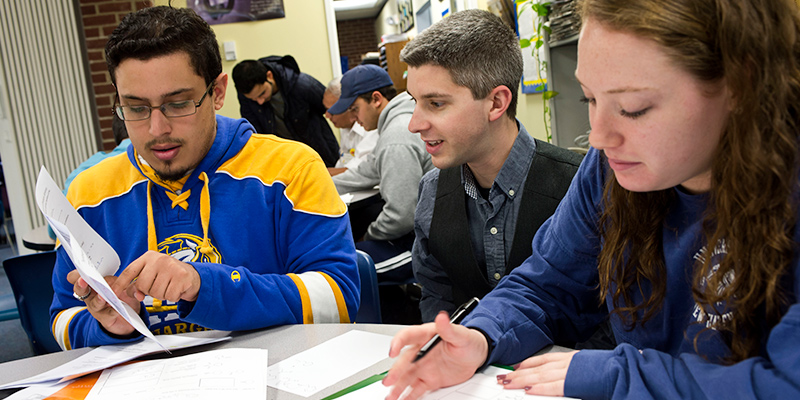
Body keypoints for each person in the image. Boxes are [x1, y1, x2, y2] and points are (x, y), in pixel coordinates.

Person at [383, 0, 800, 399]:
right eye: (590, 99)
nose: (598, 137)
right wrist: (481, 336)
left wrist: (613, 373)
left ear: (739, 84)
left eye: (633, 108)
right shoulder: (608, 172)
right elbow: (548, 283)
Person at [50, 6, 359, 350]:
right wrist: (109, 326)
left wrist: (206, 286)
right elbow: (61, 318)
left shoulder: (292, 169)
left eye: (178, 104)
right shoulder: (87, 193)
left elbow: (339, 297)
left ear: (218, 92)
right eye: (136, 108)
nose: (157, 129)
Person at [400, 10, 584, 323]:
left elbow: (609, 315)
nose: (414, 124)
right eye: (413, 102)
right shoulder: (432, 191)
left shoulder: (578, 186)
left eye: (436, 103)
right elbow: (436, 293)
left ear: (496, 103)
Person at [329, 64, 433, 284]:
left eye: (355, 109)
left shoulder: (396, 137)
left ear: (376, 99)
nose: (353, 118)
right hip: (422, 229)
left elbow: (401, 215)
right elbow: (366, 172)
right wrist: (320, 184)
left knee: (344, 269)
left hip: (427, 245)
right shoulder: (398, 123)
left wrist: (368, 236)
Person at [232, 56, 340, 167]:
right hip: (285, 159)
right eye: (254, 99)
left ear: (269, 76)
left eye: (262, 93)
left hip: (318, 152)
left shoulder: (302, 84)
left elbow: (332, 109)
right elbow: (256, 134)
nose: (260, 101)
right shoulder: (246, 97)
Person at [323, 76, 379, 171]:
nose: (327, 116)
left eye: (332, 111)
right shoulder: (345, 128)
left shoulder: (371, 128)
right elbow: (343, 162)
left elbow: (359, 172)